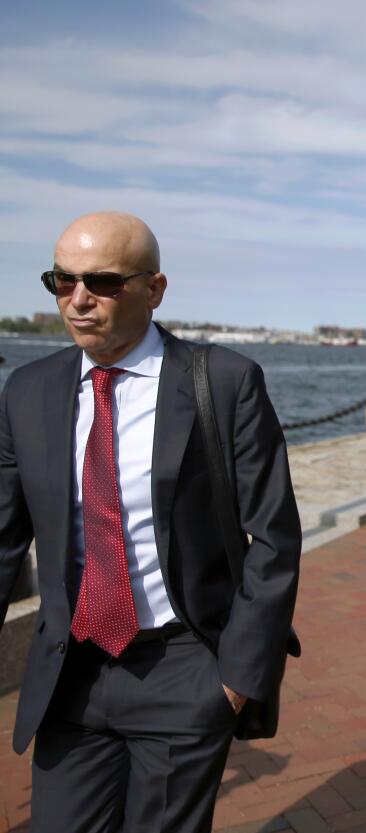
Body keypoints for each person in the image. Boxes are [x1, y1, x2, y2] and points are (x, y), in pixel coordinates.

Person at [0, 211, 302, 832]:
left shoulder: (224, 381)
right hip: (70, 673)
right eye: (62, 281)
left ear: (154, 289)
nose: (78, 300)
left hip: (183, 668)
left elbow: (274, 539)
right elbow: (3, 538)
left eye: (103, 282)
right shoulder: (27, 392)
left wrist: (235, 679)